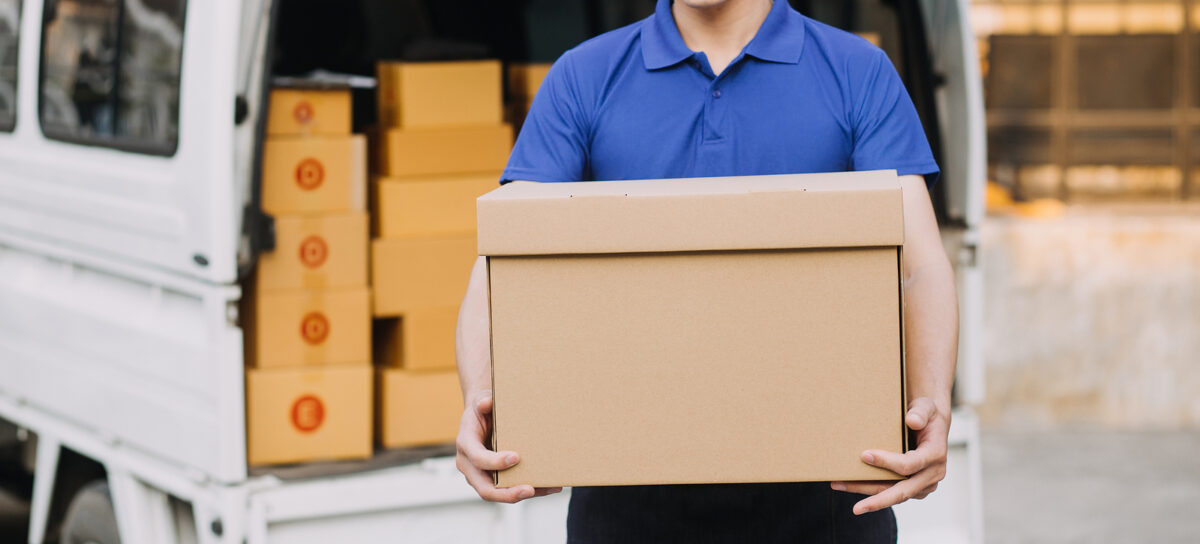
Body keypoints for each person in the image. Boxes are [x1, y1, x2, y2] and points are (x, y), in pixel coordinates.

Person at [454, 0, 958, 541]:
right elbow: (502, 265)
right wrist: (481, 402)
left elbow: (918, 265)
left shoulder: (856, 71)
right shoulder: (584, 75)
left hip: (829, 505)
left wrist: (934, 404)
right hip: (627, 508)